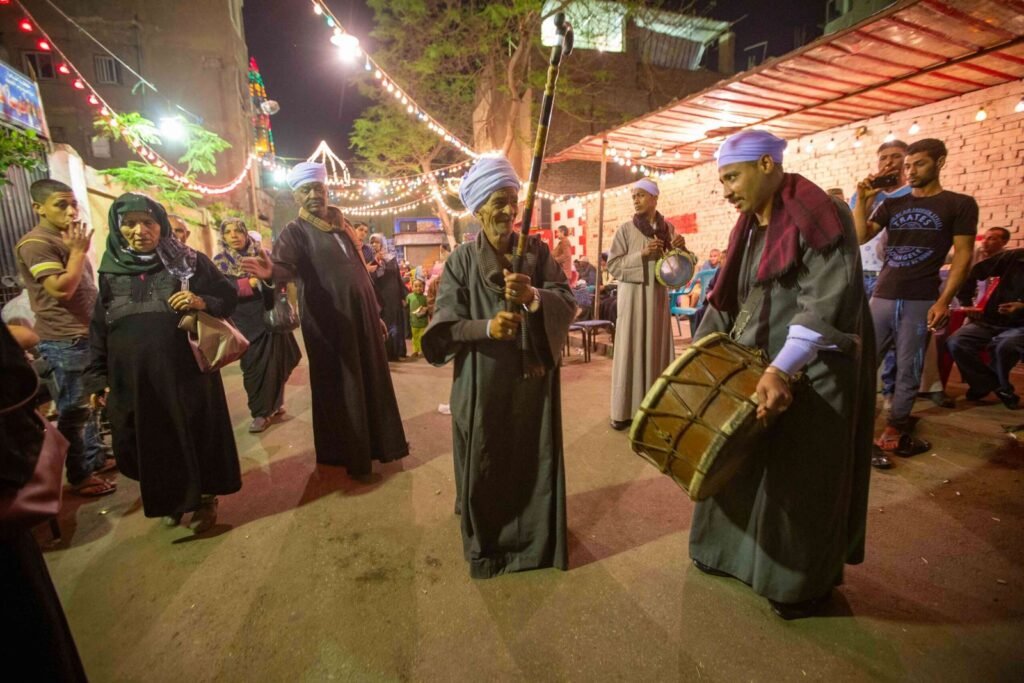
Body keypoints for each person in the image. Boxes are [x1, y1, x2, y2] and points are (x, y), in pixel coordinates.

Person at [690, 130, 874, 620]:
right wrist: (701, 355)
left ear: (768, 165)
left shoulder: (819, 213)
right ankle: (728, 554)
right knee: (743, 460)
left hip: (817, 362)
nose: (725, 190)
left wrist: (780, 367)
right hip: (761, 360)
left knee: (800, 474)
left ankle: (797, 584)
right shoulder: (748, 225)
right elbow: (733, 298)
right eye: (722, 180)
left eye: (732, 177)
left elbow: (827, 300)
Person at [422, 155, 576, 579]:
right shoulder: (460, 263)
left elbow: (566, 300)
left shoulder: (537, 253)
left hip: (533, 382)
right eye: (498, 202)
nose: (508, 212)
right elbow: (444, 330)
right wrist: (487, 327)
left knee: (533, 456)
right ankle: (491, 547)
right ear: (477, 210)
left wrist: (533, 298)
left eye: (513, 201)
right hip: (483, 382)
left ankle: (535, 544)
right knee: (488, 457)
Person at [83, 193, 241, 532]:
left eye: (148, 222)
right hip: (135, 380)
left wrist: (201, 300)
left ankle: (204, 499)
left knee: (196, 433)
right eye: (129, 223)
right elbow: (100, 327)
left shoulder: (189, 261)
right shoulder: (110, 271)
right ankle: (173, 499)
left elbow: (227, 297)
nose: (139, 230)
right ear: (117, 227)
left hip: (186, 375)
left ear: (161, 225)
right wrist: (97, 377)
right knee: (153, 440)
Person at [241, 162, 408, 476]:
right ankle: (350, 456)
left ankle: (381, 445)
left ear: (327, 190)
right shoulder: (296, 231)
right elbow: (285, 267)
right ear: (296, 195)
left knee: (371, 378)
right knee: (343, 386)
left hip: (363, 318)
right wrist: (271, 273)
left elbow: (360, 271)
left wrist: (376, 313)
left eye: (319, 188)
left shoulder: (341, 225)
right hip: (328, 324)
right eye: (306, 190)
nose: (314, 195)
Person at [854, 138, 978, 469]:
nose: (910, 171)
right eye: (907, 166)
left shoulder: (959, 204)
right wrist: (864, 201)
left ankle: (894, 429)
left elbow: (965, 254)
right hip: (882, 294)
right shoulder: (892, 205)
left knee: (909, 366)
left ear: (940, 162)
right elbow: (859, 237)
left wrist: (944, 299)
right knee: (863, 363)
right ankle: (857, 432)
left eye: (918, 164)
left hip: (922, 297)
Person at [14, 179, 115, 498]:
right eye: (61, 204)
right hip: (64, 340)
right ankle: (80, 474)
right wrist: (75, 253)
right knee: (75, 410)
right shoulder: (35, 243)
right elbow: (61, 288)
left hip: (86, 334)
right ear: (38, 208)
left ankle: (95, 456)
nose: (71, 211)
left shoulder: (66, 238)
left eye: (73, 204)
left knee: (92, 404)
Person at [607, 177, 686, 430]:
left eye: (641, 195)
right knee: (631, 349)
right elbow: (613, 266)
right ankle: (624, 413)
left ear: (654, 198)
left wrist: (682, 250)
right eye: (633, 196)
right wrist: (642, 255)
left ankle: (654, 410)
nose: (636, 200)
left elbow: (678, 270)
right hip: (632, 303)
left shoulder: (668, 230)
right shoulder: (625, 230)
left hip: (658, 303)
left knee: (655, 350)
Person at [213, 218, 301, 432]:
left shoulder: (263, 255)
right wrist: (248, 284)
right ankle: (260, 412)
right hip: (243, 321)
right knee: (253, 369)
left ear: (245, 234)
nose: (234, 235)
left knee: (279, 362)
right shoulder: (219, 262)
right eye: (229, 232)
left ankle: (276, 403)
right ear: (223, 237)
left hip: (270, 315)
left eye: (238, 231)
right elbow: (220, 290)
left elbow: (280, 280)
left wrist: (267, 280)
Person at [949, 247, 1024, 407]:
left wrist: (1021, 306)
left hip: (1020, 326)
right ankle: (994, 386)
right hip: (991, 320)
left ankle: (984, 385)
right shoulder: (1014, 257)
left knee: (1004, 345)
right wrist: (966, 303)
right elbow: (975, 270)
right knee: (956, 342)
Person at [369, 233, 408, 361]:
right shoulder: (369, 259)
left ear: (382, 243)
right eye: (372, 242)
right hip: (380, 296)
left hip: (394, 295)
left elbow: (397, 277)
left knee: (395, 323)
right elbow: (372, 278)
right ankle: (385, 353)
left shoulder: (391, 258)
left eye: (377, 242)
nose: (375, 244)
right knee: (384, 323)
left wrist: (403, 295)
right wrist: (377, 263)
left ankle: (396, 351)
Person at [406, 278, 429, 358]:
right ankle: (415, 350)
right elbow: (406, 305)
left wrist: (426, 308)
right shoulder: (409, 296)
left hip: (423, 322)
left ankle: (421, 350)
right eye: (416, 286)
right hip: (414, 321)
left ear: (423, 287)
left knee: (422, 337)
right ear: (412, 287)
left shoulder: (425, 297)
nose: (418, 288)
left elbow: (428, 307)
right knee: (415, 337)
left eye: (420, 286)